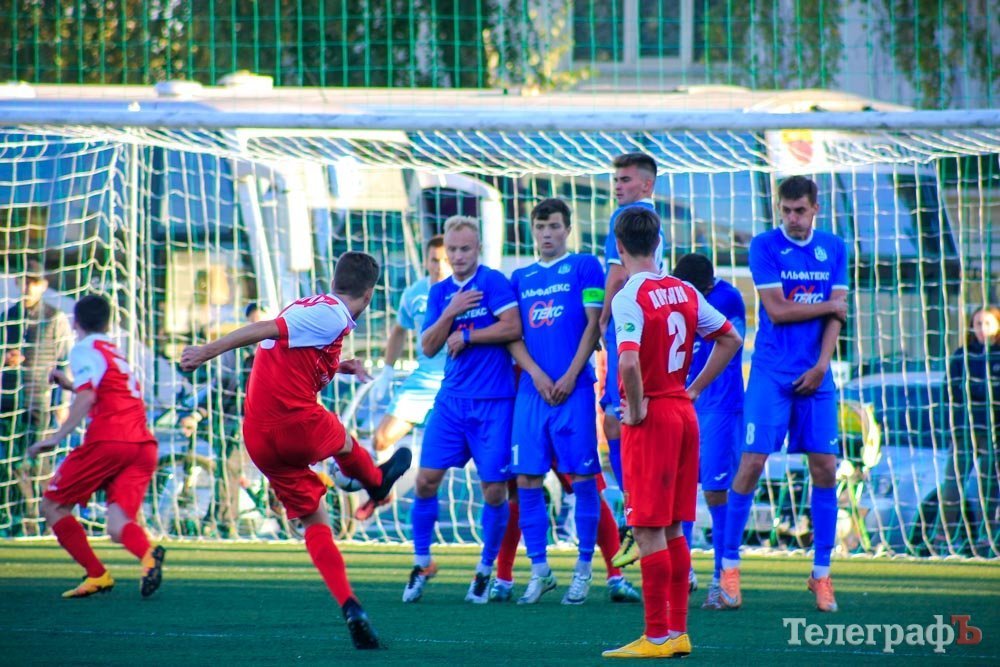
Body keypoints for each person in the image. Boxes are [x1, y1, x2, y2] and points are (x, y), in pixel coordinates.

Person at [180, 251, 412, 650]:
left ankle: (351, 606)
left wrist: (342, 366)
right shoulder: (330, 313)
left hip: (259, 440)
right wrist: (206, 351)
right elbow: (263, 329)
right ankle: (375, 483)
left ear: (334, 281)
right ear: (369, 294)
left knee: (315, 519)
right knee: (342, 440)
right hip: (293, 423)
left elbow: (296, 353)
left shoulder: (315, 309)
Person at [602, 208, 742, 659]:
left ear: (619, 247)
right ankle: (678, 632)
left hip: (654, 417)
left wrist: (636, 406)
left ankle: (656, 636)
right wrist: (695, 388)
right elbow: (732, 339)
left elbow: (627, 361)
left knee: (647, 529)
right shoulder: (684, 289)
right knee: (676, 528)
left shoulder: (629, 295)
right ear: (658, 243)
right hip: (684, 413)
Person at [717, 175, 849, 613]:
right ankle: (729, 568)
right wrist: (828, 305)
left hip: (817, 374)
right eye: (786, 210)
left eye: (800, 210)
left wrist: (822, 365)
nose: (792, 218)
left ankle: (822, 574)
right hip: (771, 374)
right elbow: (776, 310)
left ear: (815, 209)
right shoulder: (764, 246)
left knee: (825, 468)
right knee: (752, 463)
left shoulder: (834, 247)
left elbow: (838, 317)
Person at [402, 215, 522, 604]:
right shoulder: (440, 293)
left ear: (478, 249)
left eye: (465, 249)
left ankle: (485, 570)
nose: (457, 256)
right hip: (451, 403)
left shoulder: (493, 282)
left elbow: (513, 328)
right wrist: (450, 311)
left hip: (495, 403)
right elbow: (428, 346)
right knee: (425, 481)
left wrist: (468, 335)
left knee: (494, 491)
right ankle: (422, 562)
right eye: (452, 250)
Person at [502, 198, 607, 605]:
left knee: (583, 479)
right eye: (541, 227)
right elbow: (512, 335)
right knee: (526, 479)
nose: (547, 234)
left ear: (567, 229)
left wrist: (569, 375)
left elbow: (594, 325)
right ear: (532, 230)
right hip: (533, 392)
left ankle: (583, 569)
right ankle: (540, 570)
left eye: (554, 226)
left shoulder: (585, 266)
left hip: (574, 390)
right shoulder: (520, 277)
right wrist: (536, 374)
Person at [26, 294, 165, 599]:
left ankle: (97, 574)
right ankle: (147, 556)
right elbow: (106, 389)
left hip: (110, 440)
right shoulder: (113, 350)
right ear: (108, 322)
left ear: (76, 322)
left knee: (52, 505)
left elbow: (89, 396)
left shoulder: (83, 348)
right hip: (142, 445)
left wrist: (56, 437)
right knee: (117, 526)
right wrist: (70, 385)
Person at [597, 153, 675, 577]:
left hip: (628, 326)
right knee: (627, 421)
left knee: (621, 419)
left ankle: (637, 517)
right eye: (616, 180)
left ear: (647, 184)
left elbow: (616, 276)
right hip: (656, 324)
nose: (618, 186)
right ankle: (655, 524)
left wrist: (602, 320)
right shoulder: (656, 221)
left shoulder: (625, 220)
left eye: (625, 179)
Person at [671, 253, 746, 610]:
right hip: (684, 403)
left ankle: (721, 578)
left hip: (719, 405)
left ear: (707, 287)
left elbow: (728, 343)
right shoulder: (677, 295)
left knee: (716, 492)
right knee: (680, 489)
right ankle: (683, 571)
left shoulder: (727, 298)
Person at [357, 235, 451, 521]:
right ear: (426, 261)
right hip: (424, 380)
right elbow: (399, 330)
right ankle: (384, 489)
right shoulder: (415, 293)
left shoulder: (467, 289)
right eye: (435, 260)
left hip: (458, 380)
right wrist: (387, 371)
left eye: (445, 260)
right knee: (381, 439)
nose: (440, 266)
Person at [1, 260, 73, 534]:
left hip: (39, 401)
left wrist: (63, 403)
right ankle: (24, 520)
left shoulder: (54, 318)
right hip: (9, 402)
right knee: (10, 463)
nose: (28, 287)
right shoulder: (7, 317)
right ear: (17, 282)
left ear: (44, 285)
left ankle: (45, 520)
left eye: (34, 282)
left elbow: (65, 361)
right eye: (25, 280)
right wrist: (6, 359)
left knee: (38, 464)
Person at [942, 305, 1000, 551]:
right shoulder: (962, 356)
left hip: (994, 431)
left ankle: (989, 536)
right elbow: (949, 392)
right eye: (978, 324)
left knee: (989, 484)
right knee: (953, 481)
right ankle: (943, 536)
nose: (982, 329)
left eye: (988, 323)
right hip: (966, 429)